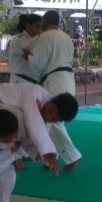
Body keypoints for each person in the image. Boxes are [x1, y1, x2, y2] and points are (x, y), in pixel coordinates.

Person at [23, 10, 82, 172]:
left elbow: (38, 64)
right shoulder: (65, 37)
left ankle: (71, 156)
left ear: (46, 20)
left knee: (52, 118)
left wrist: (28, 56)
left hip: (55, 79)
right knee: (50, 120)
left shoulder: (45, 37)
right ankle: (50, 155)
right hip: (66, 78)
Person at [9, 14, 42, 85]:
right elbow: (29, 47)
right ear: (28, 25)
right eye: (36, 27)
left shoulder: (33, 40)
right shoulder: (18, 39)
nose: (39, 31)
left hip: (33, 82)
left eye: (40, 28)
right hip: (20, 81)